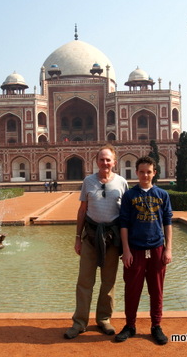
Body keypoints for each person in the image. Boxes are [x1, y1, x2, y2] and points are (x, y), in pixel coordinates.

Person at [64, 144, 129, 339]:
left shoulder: (121, 183)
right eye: (101, 159)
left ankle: (104, 319)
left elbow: (126, 215)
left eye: (108, 159)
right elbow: (82, 210)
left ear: (114, 162)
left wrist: (126, 245)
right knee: (84, 281)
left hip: (112, 238)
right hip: (90, 237)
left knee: (108, 281)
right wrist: (77, 237)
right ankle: (80, 322)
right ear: (96, 161)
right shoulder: (88, 182)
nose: (105, 163)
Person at [115, 156, 173, 345]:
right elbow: (123, 224)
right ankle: (130, 325)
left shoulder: (162, 195)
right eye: (141, 172)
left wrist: (168, 249)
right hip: (135, 249)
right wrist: (126, 250)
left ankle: (156, 325)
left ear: (154, 173)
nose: (145, 175)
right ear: (136, 173)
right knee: (132, 290)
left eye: (148, 172)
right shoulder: (130, 195)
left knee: (156, 290)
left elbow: (167, 222)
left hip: (157, 248)